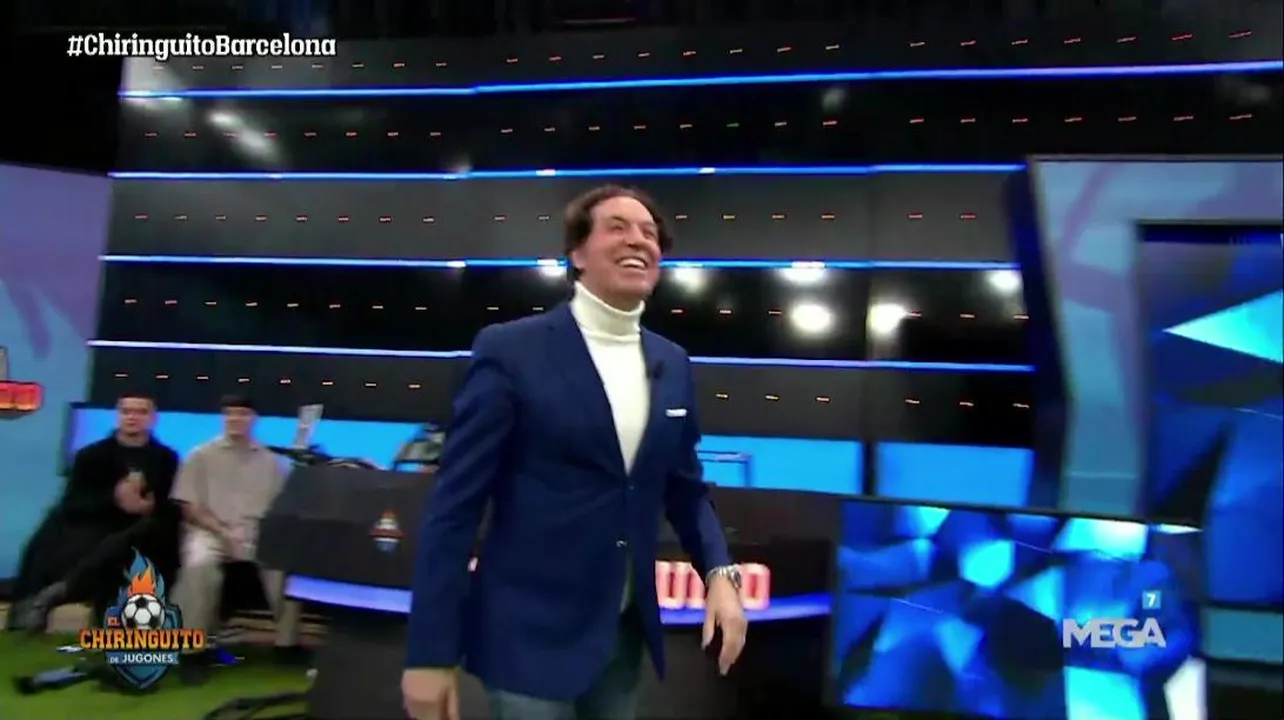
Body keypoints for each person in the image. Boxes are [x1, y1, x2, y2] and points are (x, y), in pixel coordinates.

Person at [402, 185, 748, 720]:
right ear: (578, 254)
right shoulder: (511, 350)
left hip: (621, 638)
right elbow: (454, 508)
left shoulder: (673, 363)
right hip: (526, 636)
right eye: (618, 227)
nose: (639, 240)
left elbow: (684, 488)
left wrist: (720, 573)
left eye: (650, 233)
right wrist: (428, 653)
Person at [9, 391, 181, 626]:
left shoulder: (166, 458)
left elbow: (172, 505)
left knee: (140, 539)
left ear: (153, 418)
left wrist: (148, 506)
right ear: (118, 415)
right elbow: (74, 502)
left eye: (141, 412)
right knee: (88, 544)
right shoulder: (91, 455)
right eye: (126, 411)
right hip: (97, 524)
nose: (132, 417)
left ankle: (63, 591)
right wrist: (115, 499)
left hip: (145, 530)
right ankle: (49, 598)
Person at [168, 394, 305, 678]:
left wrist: (257, 533)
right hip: (209, 530)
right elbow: (189, 507)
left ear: (253, 419)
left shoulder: (271, 461)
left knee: (287, 567)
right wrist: (223, 531)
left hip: (258, 532)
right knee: (198, 566)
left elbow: (281, 508)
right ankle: (192, 651)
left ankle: (286, 645)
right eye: (230, 413)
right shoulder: (200, 455)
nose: (235, 419)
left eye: (242, 414)